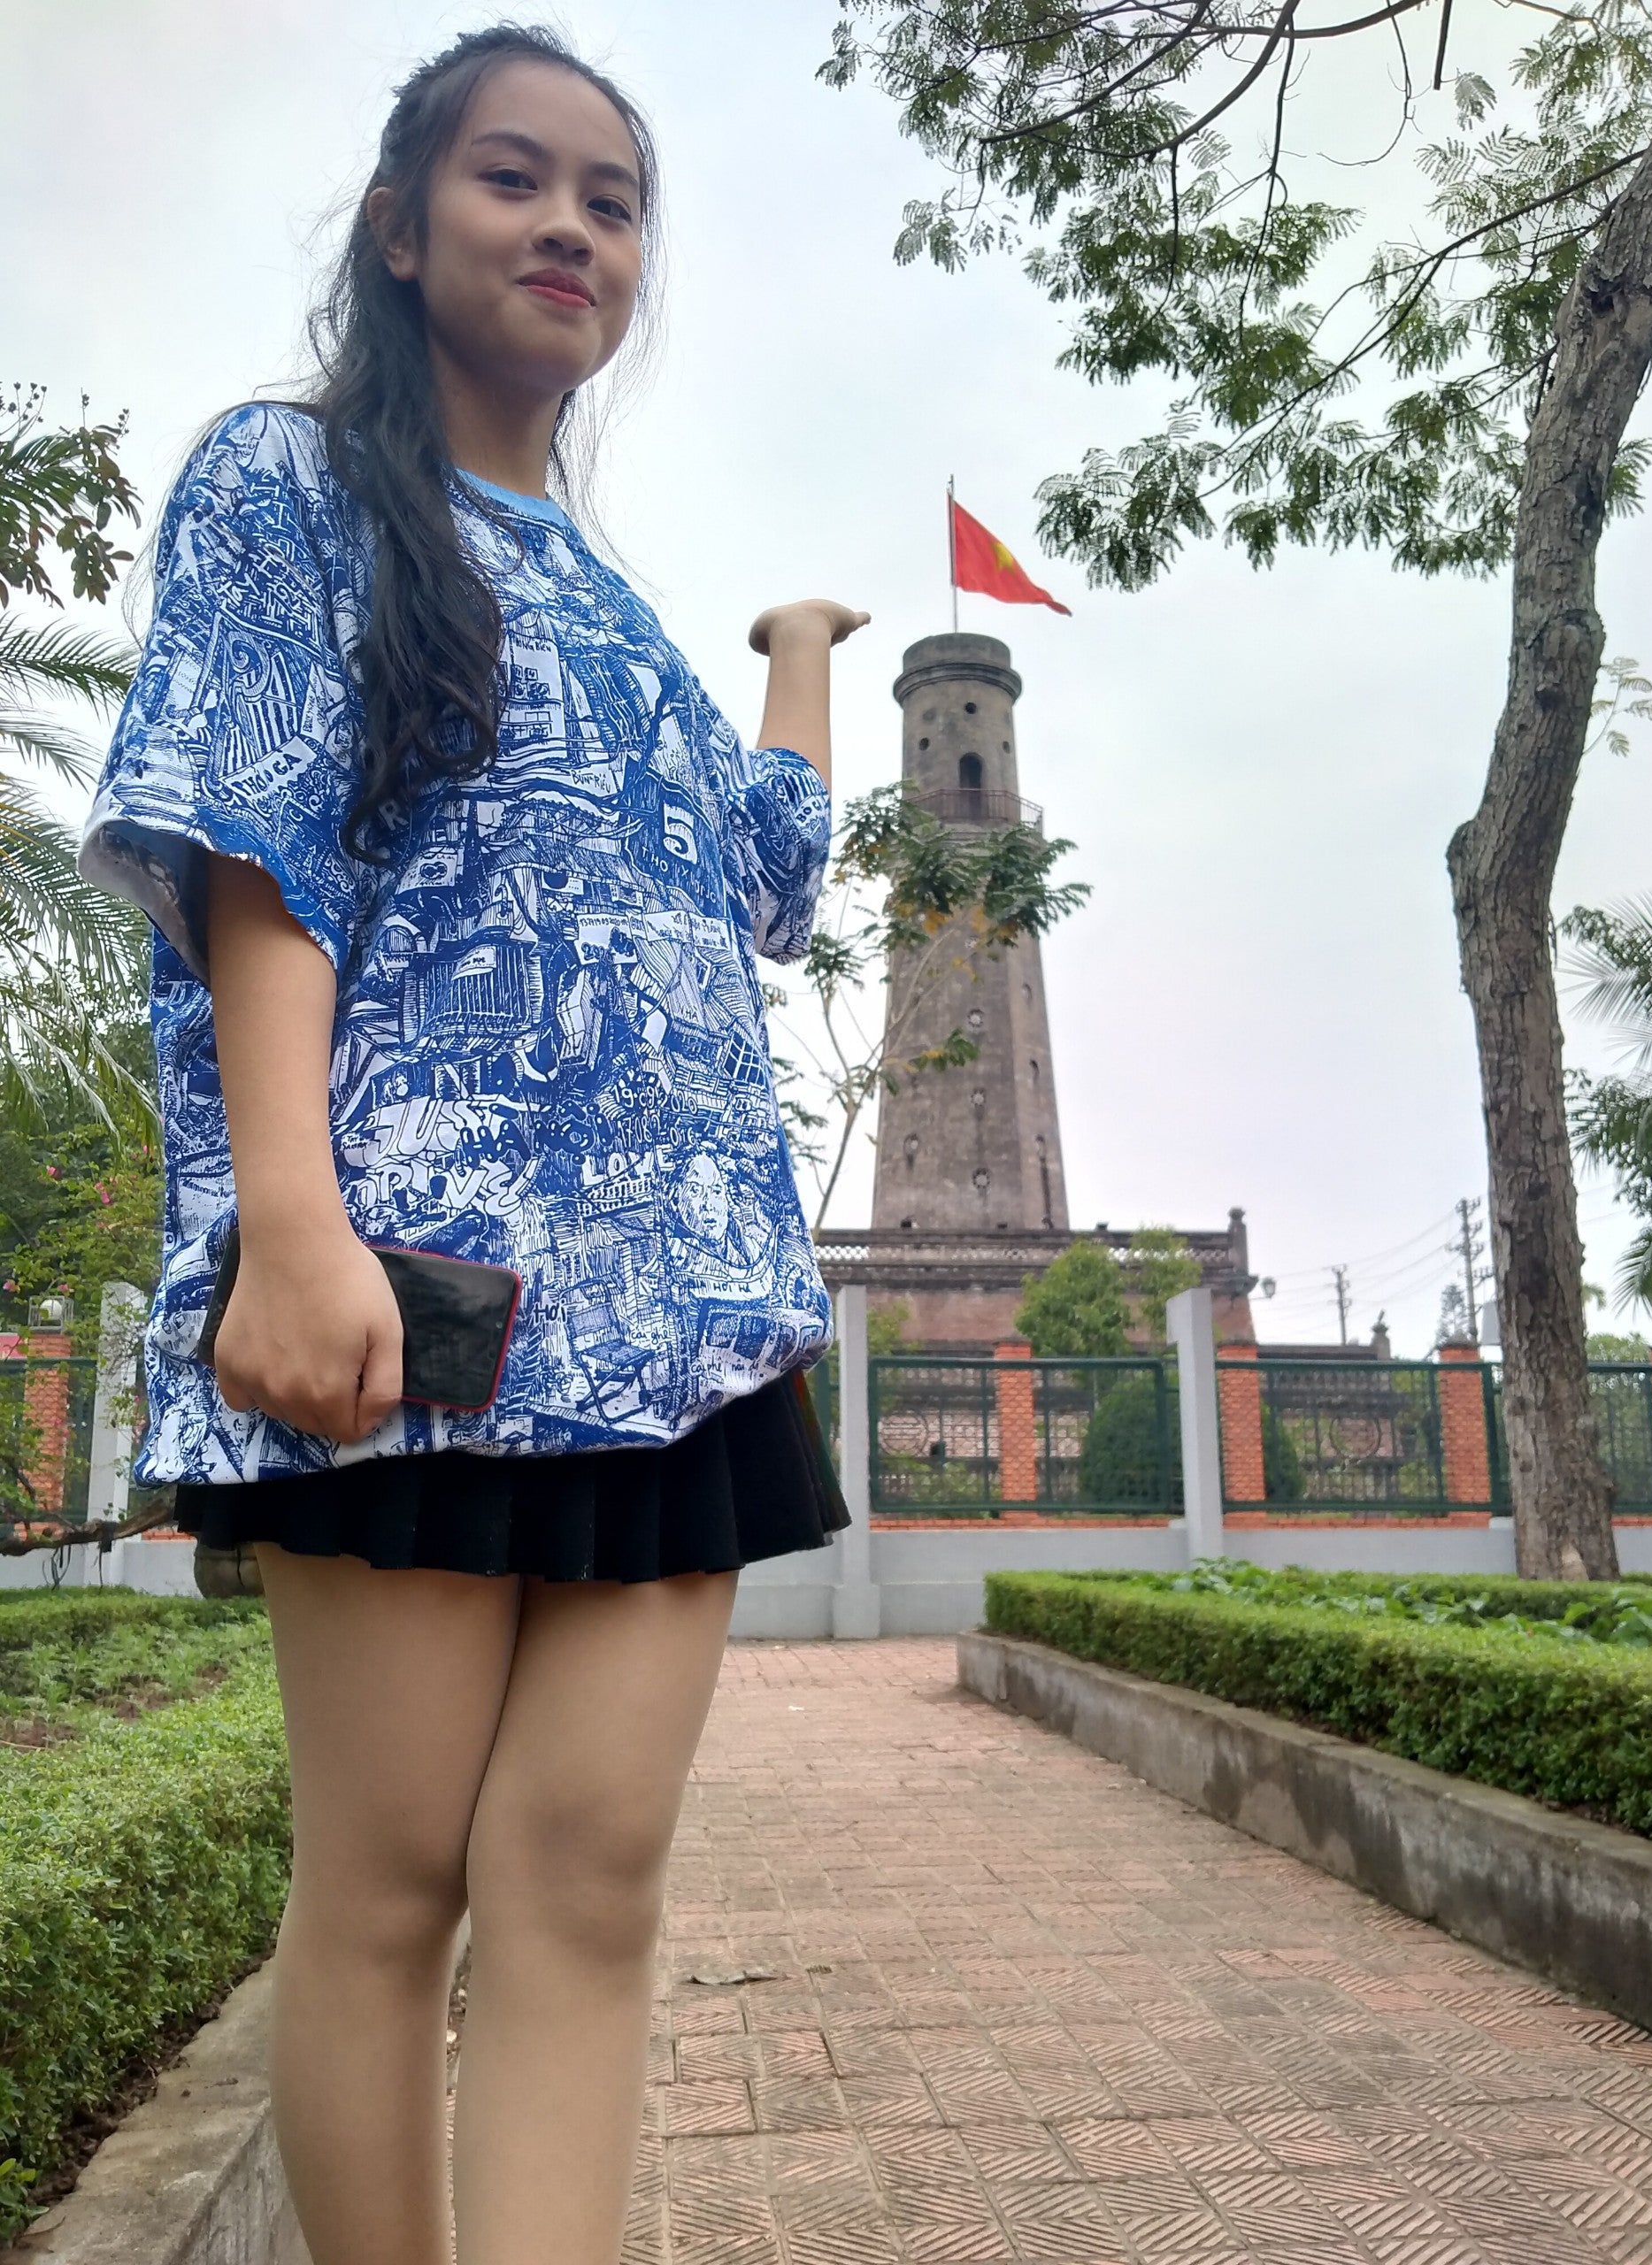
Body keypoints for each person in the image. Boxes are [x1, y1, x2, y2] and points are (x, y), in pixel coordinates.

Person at [77, 25, 867, 2265]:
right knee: (395, 1879)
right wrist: (290, 1223)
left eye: (611, 203)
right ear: (404, 227)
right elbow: (257, 846)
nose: (570, 228)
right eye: (517, 181)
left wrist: (798, 644)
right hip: (417, 1288)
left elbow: (767, 866)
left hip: (684, 1309)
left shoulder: (614, 608)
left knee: (592, 1870)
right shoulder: (296, 480)